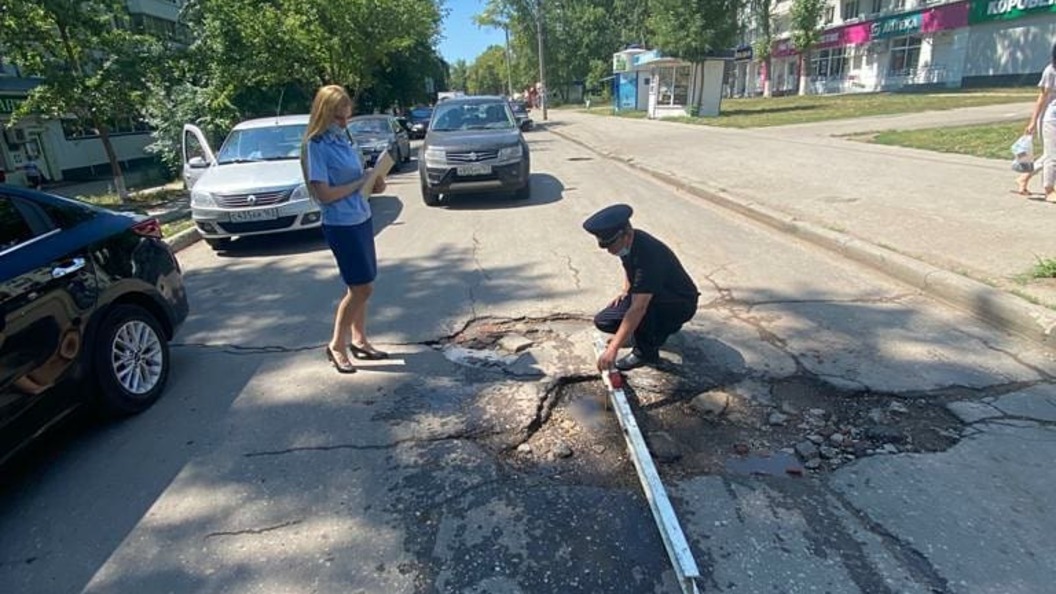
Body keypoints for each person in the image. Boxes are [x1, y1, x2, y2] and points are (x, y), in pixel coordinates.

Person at [302, 84, 388, 374]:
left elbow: (357, 181)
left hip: (361, 216)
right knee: (360, 288)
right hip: (340, 224)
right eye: (338, 117)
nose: (343, 123)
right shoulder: (317, 146)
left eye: (346, 117)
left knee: (364, 285)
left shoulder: (344, 140)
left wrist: (374, 182)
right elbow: (324, 194)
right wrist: (358, 183)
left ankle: (360, 340)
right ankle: (336, 345)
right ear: (324, 113)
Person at [584, 204, 699, 371]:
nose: (609, 250)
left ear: (626, 235)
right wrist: (626, 290)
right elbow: (628, 266)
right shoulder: (629, 244)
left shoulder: (648, 256)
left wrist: (612, 349)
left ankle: (645, 353)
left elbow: (638, 308)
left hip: (679, 303)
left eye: (610, 245)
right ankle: (646, 334)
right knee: (604, 320)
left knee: (641, 310)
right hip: (657, 294)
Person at [1025, 41, 1056, 203]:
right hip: (1051, 119)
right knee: (1053, 156)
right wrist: (1032, 122)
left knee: (1050, 154)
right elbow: (1041, 98)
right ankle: (1049, 189)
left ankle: (1024, 177)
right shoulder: (1050, 71)